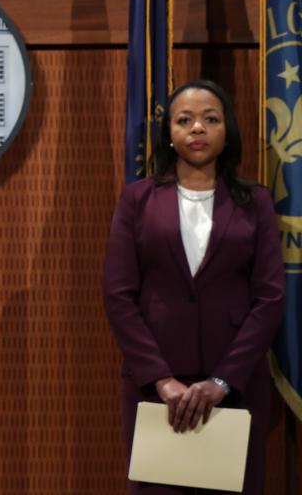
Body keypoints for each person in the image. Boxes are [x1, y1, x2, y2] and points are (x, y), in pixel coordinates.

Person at [103, 79, 285, 494]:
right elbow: (118, 294)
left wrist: (222, 381)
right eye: (184, 120)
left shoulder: (254, 202)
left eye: (210, 119)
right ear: (169, 134)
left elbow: (270, 297)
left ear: (227, 131)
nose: (197, 128)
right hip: (155, 388)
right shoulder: (137, 200)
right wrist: (162, 379)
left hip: (234, 387)